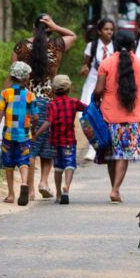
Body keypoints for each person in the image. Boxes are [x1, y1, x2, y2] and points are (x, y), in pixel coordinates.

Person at [11, 14, 77, 201]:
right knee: (48, 147)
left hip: (26, 101)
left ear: (33, 27)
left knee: (30, 146)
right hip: (49, 102)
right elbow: (73, 35)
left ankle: (30, 190)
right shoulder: (56, 45)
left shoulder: (21, 46)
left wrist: (7, 98)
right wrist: (56, 26)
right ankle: (44, 182)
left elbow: (13, 76)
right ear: (49, 28)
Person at [94, 31, 140, 203]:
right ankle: (115, 189)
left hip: (108, 117)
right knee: (123, 155)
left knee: (112, 154)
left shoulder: (106, 63)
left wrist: (97, 98)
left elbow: (98, 91)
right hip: (132, 119)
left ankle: (114, 188)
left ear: (115, 44)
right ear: (134, 44)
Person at [33, 75, 86, 205]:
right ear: (69, 89)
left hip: (55, 142)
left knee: (58, 168)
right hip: (69, 141)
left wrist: (36, 134)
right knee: (69, 164)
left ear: (53, 90)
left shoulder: (52, 104)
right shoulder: (73, 102)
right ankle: (66, 188)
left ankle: (57, 194)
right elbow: (88, 108)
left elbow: (48, 122)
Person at [0, 61, 38, 206]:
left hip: (8, 135)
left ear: (11, 77)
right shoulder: (30, 96)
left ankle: (11, 194)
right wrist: (33, 129)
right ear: (25, 79)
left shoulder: (5, 94)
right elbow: (36, 117)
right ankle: (24, 183)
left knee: (9, 164)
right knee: (24, 161)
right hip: (24, 135)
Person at [79, 18, 115, 161]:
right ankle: (92, 146)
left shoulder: (116, 47)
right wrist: (85, 68)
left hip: (110, 85)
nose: (109, 32)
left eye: (111, 30)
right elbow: (87, 64)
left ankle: (106, 145)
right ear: (100, 31)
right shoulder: (92, 46)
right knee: (90, 114)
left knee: (107, 115)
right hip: (93, 82)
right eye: (106, 29)